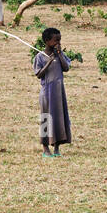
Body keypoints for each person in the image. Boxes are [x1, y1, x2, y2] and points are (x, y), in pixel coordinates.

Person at [33, 27, 72, 158]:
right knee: (46, 118)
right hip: (46, 93)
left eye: (60, 40)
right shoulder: (40, 57)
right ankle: (45, 148)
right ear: (47, 41)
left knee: (59, 117)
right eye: (56, 40)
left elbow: (65, 68)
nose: (58, 43)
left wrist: (59, 54)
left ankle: (56, 147)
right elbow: (38, 74)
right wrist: (48, 63)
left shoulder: (60, 54)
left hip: (59, 92)